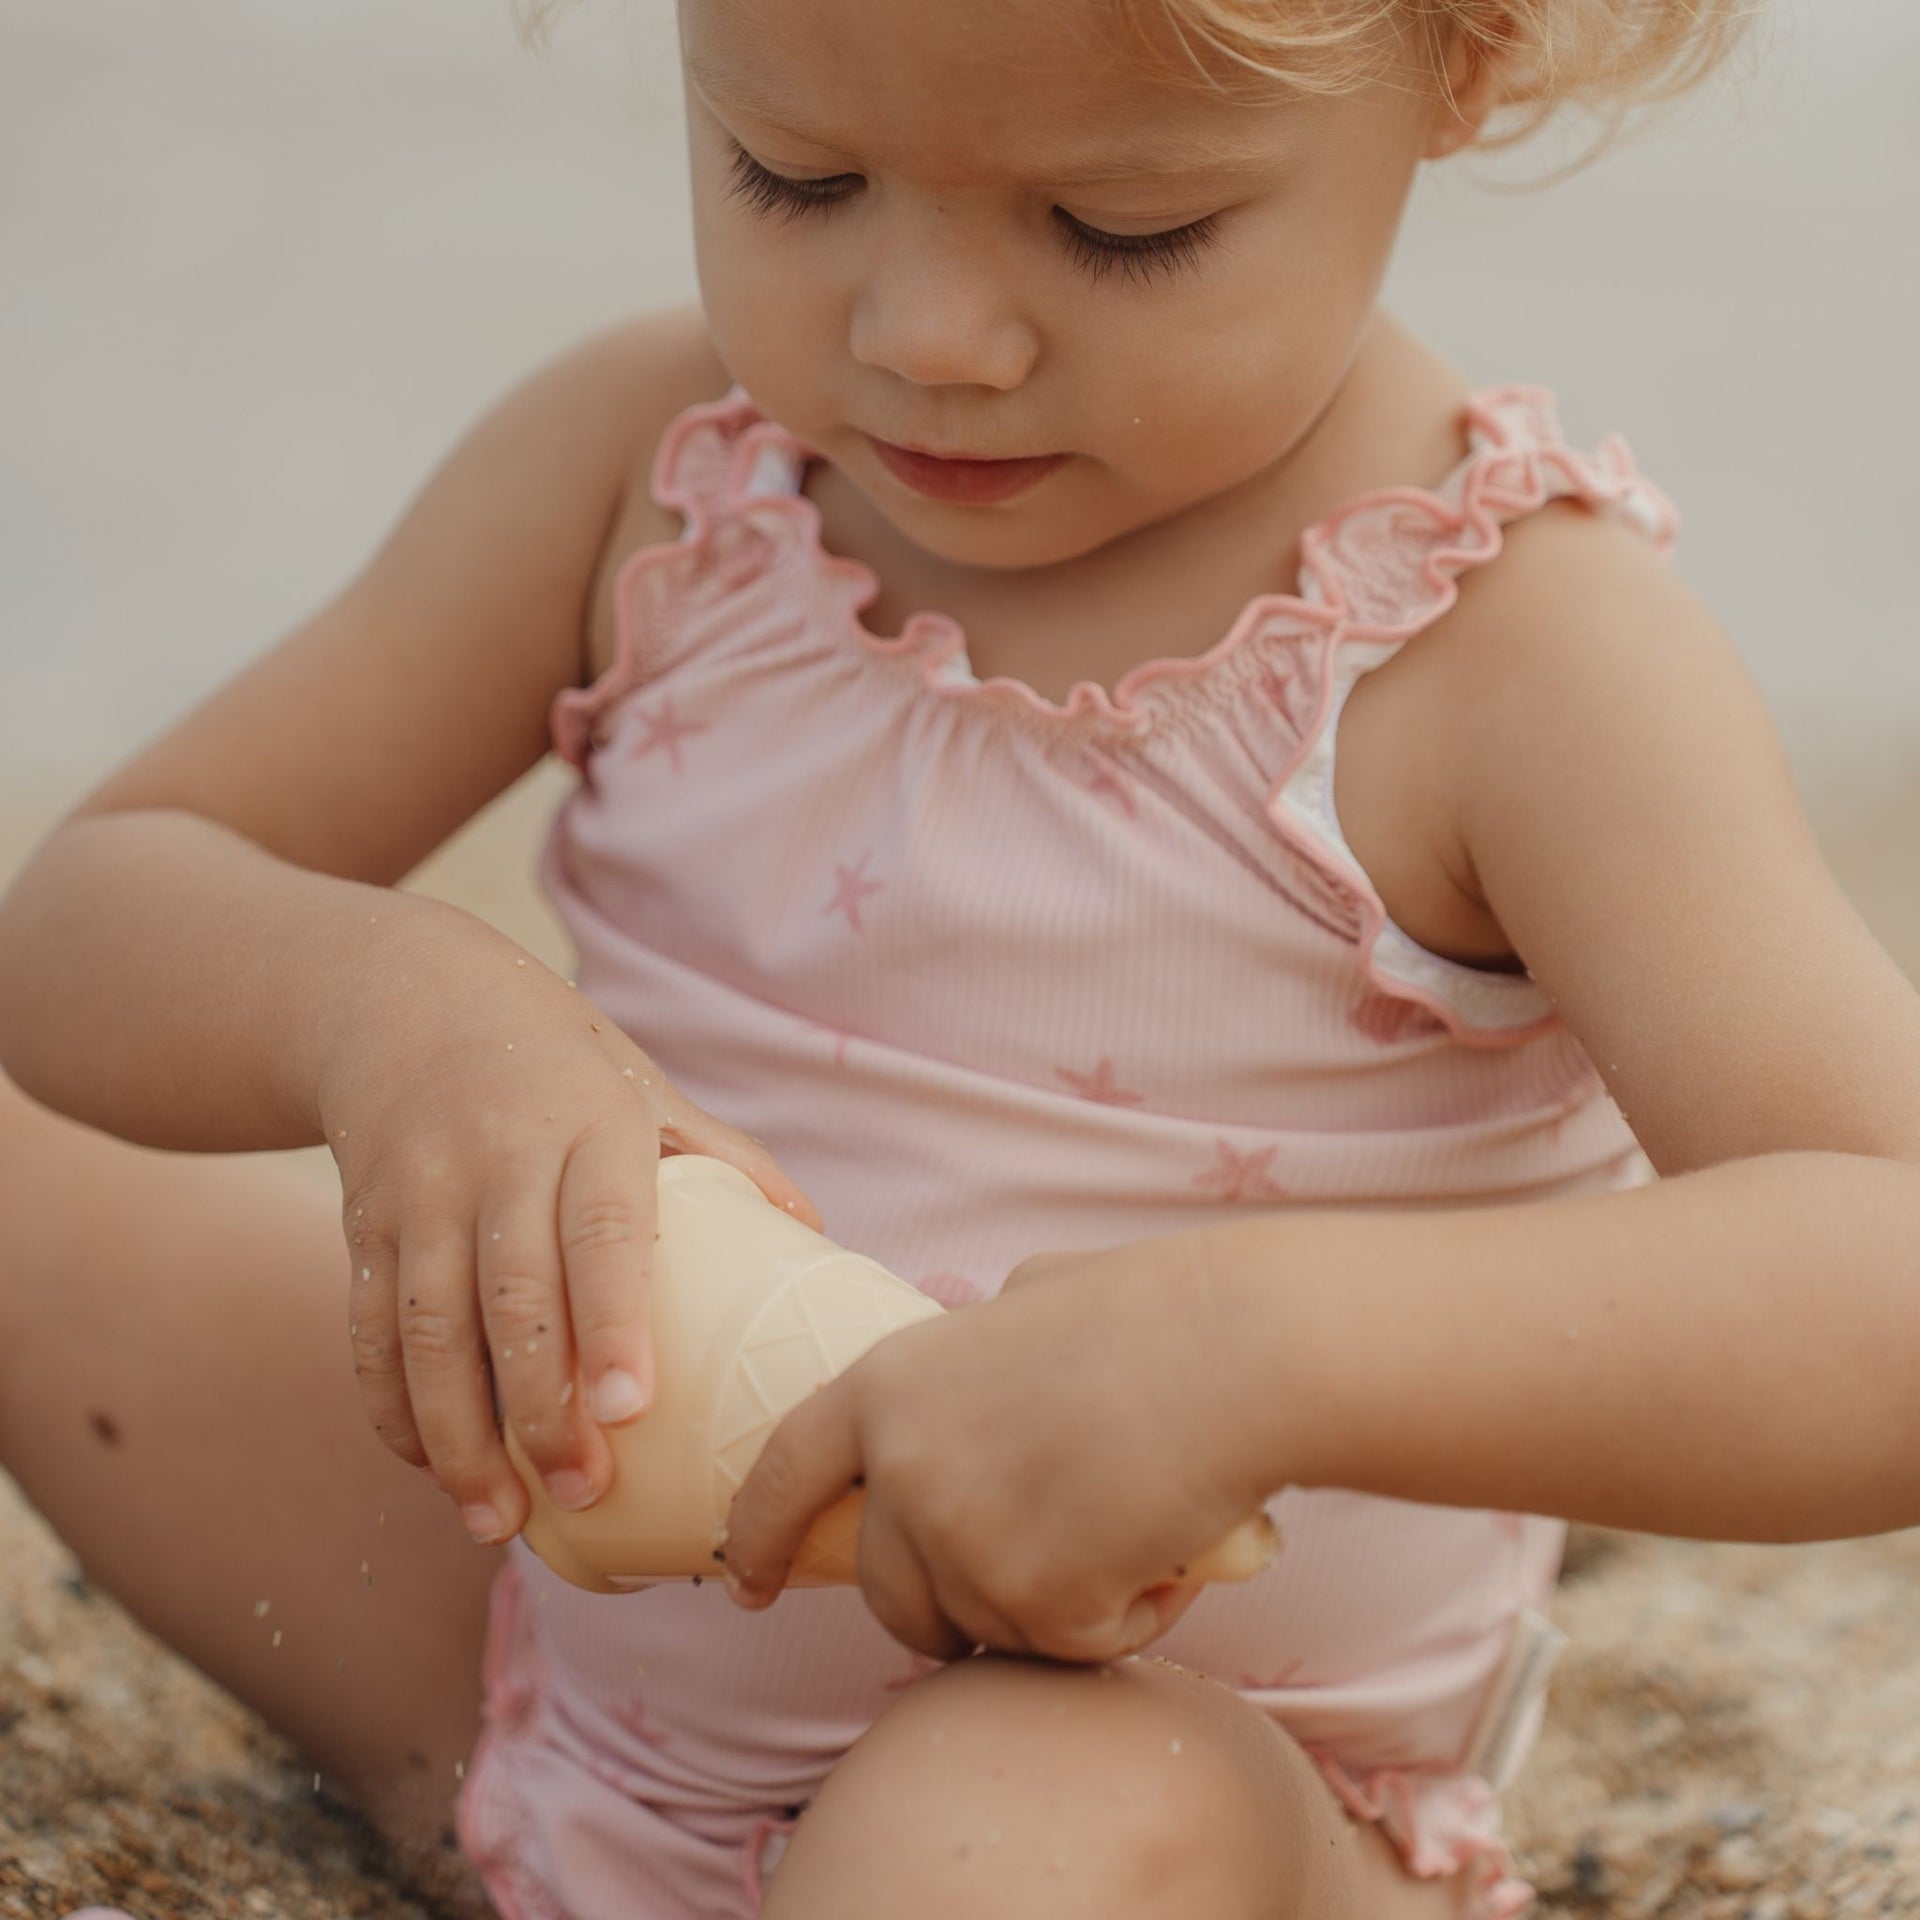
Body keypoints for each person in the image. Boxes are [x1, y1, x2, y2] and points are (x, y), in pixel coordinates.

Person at [4, 0, 1918, 1914]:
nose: (926, 335)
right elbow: (95, 913)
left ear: (1460, 59)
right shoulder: (662, 476)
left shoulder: (1503, 659)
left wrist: (1266, 1352)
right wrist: (393, 1007)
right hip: (546, 1675)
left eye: (1118, 225)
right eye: (798, 177)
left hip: (1157, 1786)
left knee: (1000, 1814)